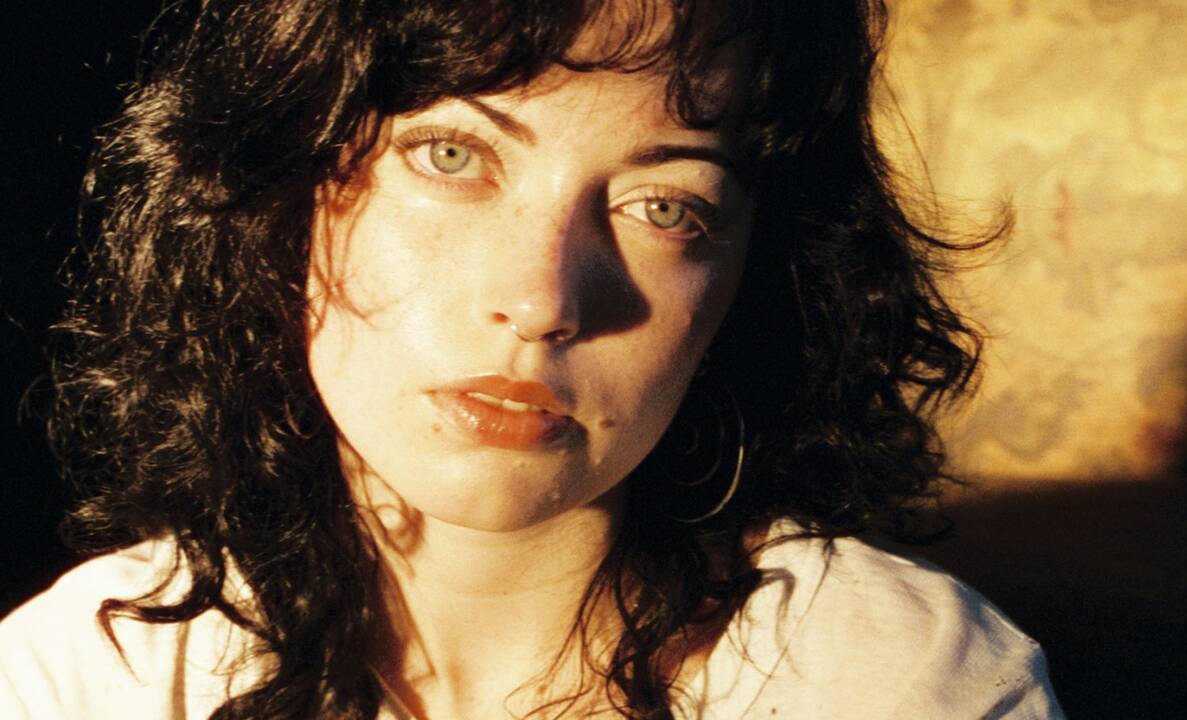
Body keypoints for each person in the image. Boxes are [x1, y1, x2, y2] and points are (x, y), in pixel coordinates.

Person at [0, 0, 1063, 718]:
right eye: (450, 156)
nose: (544, 299)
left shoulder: (893, 684)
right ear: (287, 188)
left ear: (753, 279)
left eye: (663, 206)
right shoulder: (90, 675)